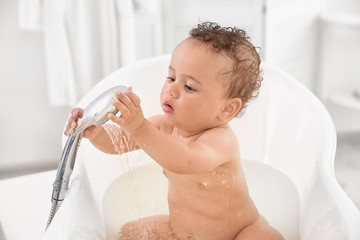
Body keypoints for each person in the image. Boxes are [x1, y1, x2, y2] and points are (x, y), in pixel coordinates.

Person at [65, 22, 285, 240]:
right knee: (125, 233)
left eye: (189, 87)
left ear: (226, 109)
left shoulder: (221, 140)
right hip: (181, 230)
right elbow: (118, 142)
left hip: (239, 233)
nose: (171, 89)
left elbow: (185, 160)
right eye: (171, 77)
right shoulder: (163, 126)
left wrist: (140, 127)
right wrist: (93, 131)